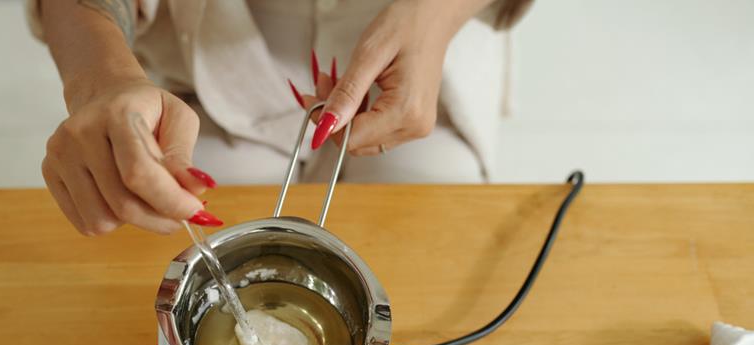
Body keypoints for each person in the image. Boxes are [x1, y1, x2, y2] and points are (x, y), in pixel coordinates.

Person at [27, 0, 531, 236]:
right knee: (169, 223)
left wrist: (435, 16)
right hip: (217, 54)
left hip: (422, 48)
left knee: (431, 224)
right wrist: (104, 82)